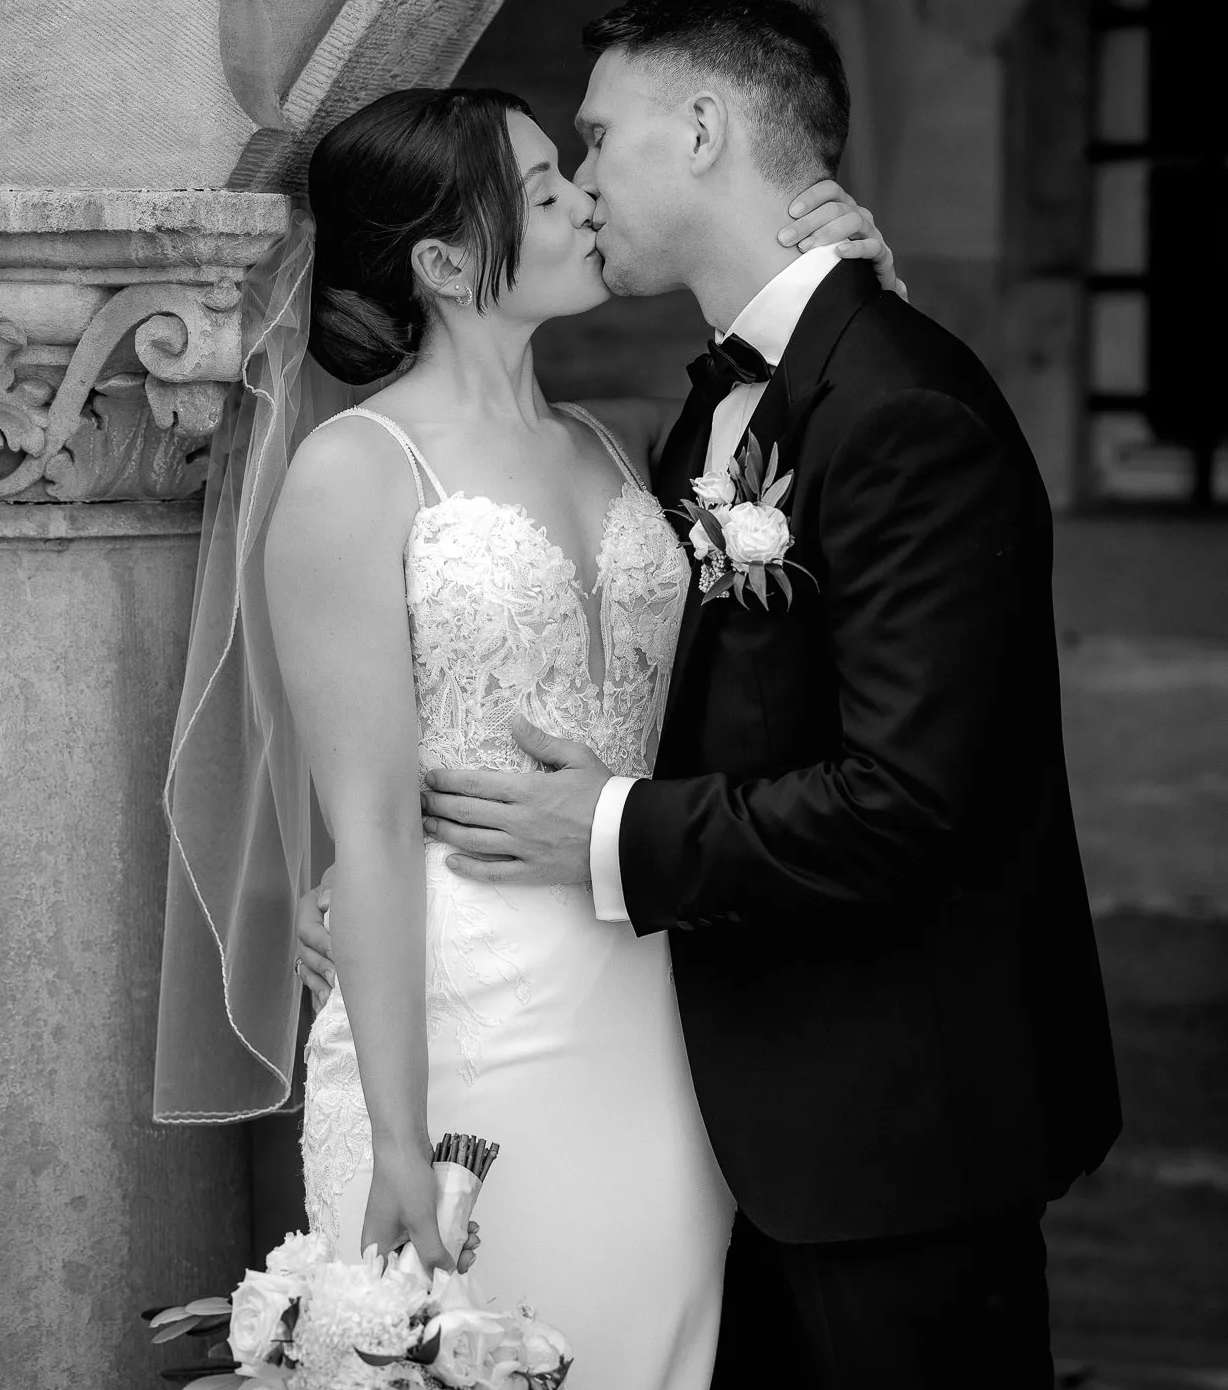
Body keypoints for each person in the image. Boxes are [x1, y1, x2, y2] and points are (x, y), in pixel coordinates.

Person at [302, 0, 1122, 1390]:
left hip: (875, 1110)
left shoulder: (870, 401)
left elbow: (907, 791)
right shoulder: (702, 415)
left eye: (591, 147)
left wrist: (605, 833)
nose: (581, 189)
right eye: (546, 176)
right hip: (640, 1043)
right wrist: (367, 896)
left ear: (699, 132)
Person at [266, 76, 898, 1390]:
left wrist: (865, 302)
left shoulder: (616, 452)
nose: (583, 200)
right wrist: (397, 1140)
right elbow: (373, 826)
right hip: (469, 1008)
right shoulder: (356, 473)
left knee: (652, 1346)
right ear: (447, 260)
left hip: (659, 1000)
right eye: (545, 188)